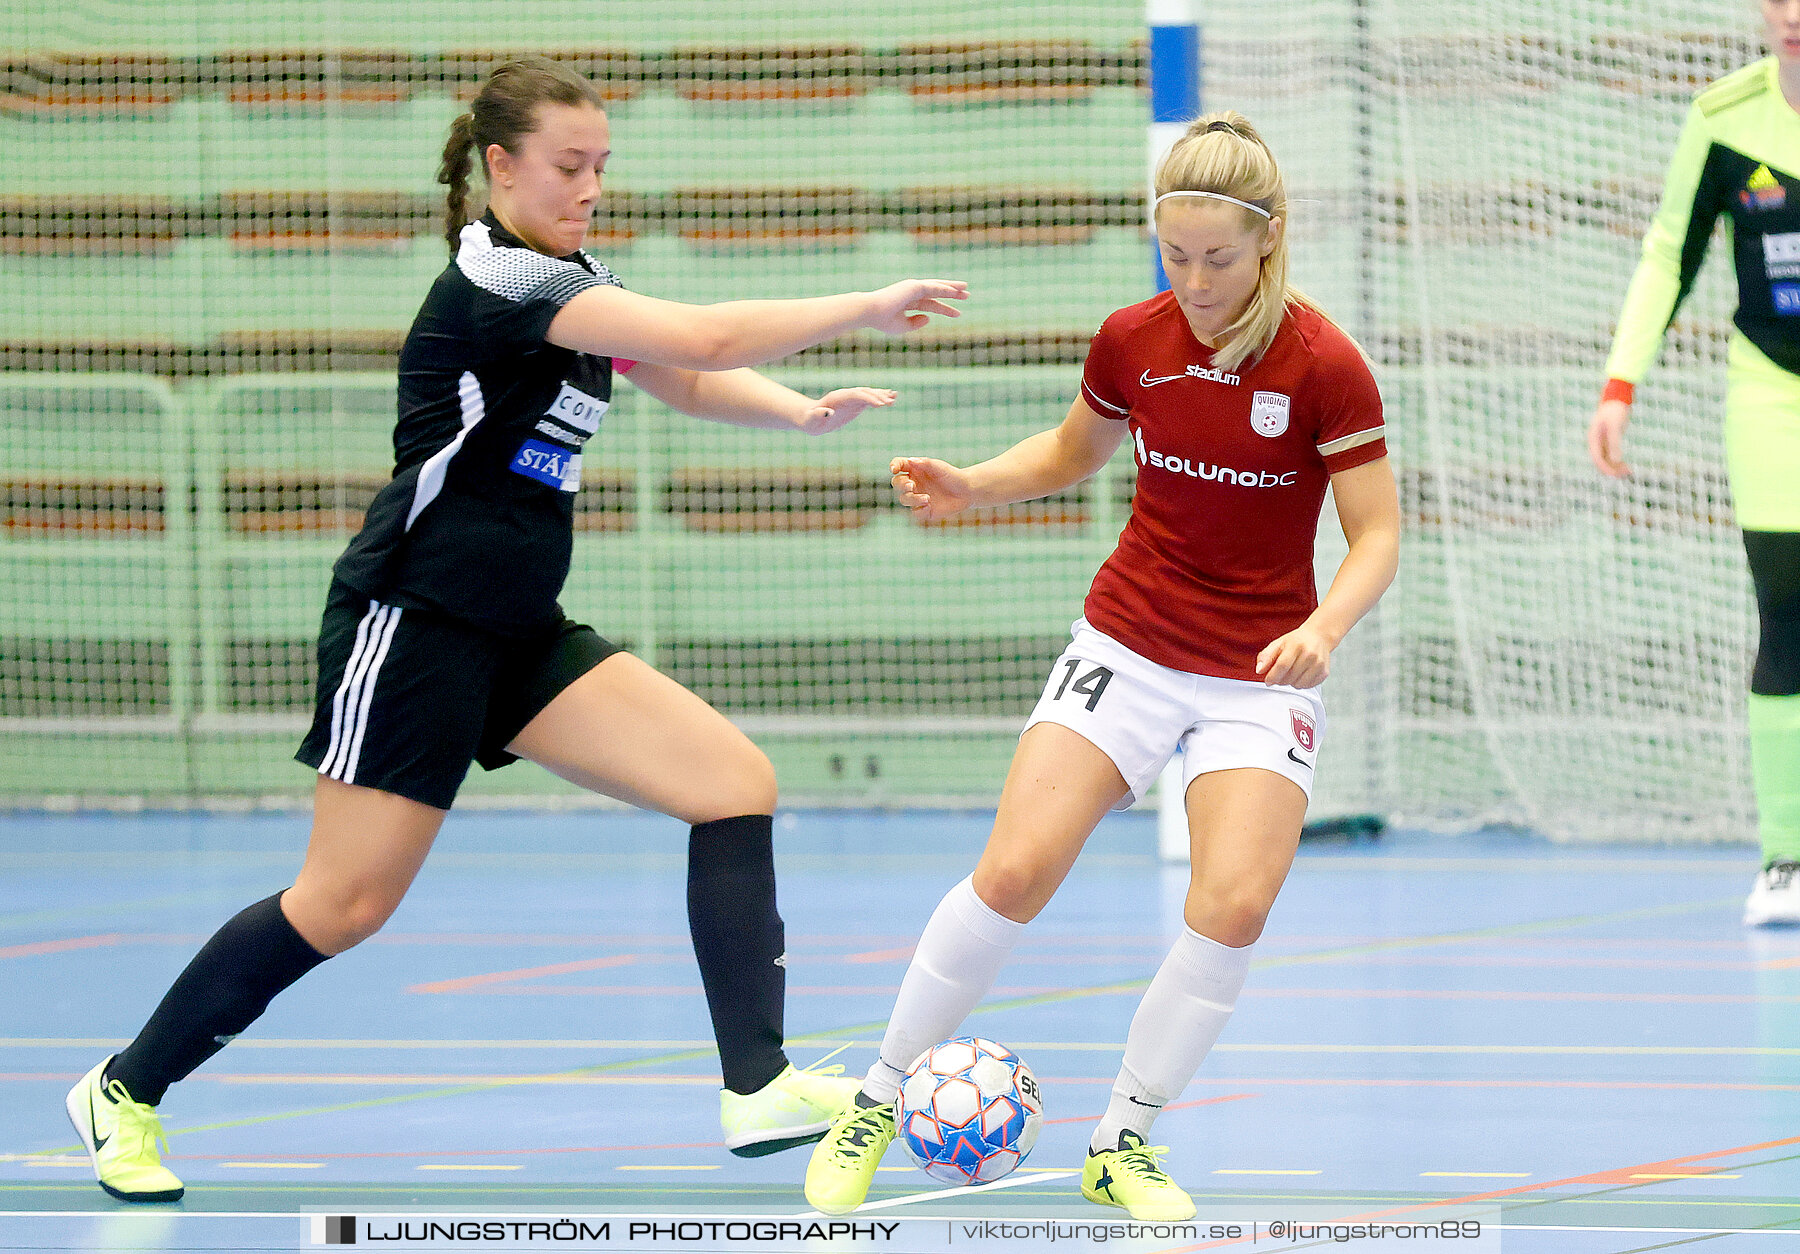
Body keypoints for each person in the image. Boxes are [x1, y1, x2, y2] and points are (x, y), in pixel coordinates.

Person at [64, 55, 968, 1203]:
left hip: (518, 627)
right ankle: (126, 1089)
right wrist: (865, 303)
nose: (591, 184)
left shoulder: (570, 278)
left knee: (731, 781)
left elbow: (674, 374)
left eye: (601, 165)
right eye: (568, 165)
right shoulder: (504, 281)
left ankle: (759, 1084)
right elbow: (704, 331)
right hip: (418, 618)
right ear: (501, 165)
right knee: (344, 904)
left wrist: (799, 412)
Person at [800, 111, 1400, 1219]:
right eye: (1175, 255)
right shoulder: (1135, 339)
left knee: (1233, 902)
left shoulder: (1325, 367)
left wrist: (1326, 629)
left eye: (1217, 257)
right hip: (1128, 642)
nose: (1196, 279)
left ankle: (1122, 1142)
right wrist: (972, 485)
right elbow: (1075, 453)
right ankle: (876, 1101)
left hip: (1257, 672)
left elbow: (1378, 537)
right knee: (1017, 871)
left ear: (1268, 241)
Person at [1589, 0, 1800, 927]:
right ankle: (1786, 859)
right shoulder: (1723, 120)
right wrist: (1619, 384)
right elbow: (1669, 255)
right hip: (1770, 396)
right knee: (1786, 612)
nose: (1791, 15)